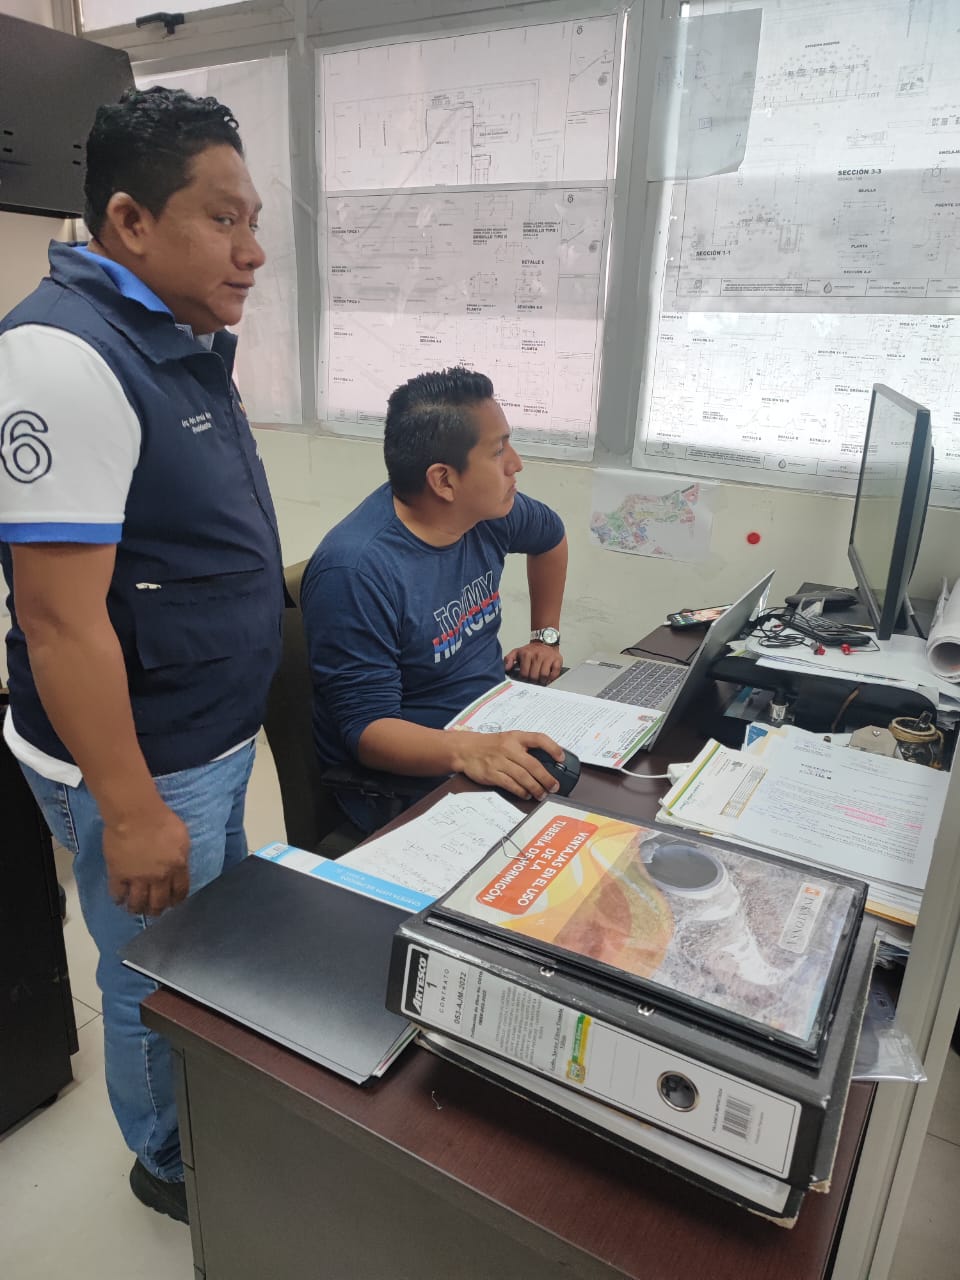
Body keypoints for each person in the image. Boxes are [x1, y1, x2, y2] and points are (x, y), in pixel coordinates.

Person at [0, 87, 283, 1222]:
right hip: (142, 761)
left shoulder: (173, 335)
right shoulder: (62, 360)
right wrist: (127, 809)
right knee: (152, 967)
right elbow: (58, 620)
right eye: (222, 219)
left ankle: (204, 1115)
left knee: (206, 948)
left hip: (201, 736)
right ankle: (169, 1160)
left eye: (253, 220)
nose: (252, 251)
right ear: (128, 221)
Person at [301, 367, 569, 834]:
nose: (516, 464)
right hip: (412, 783)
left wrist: (544, 637)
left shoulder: (489, 512)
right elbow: (369, 732)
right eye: (498, 451)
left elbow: (551, 538)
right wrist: (470, 750)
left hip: (491, 723)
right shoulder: (357, 571)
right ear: (444, 481)